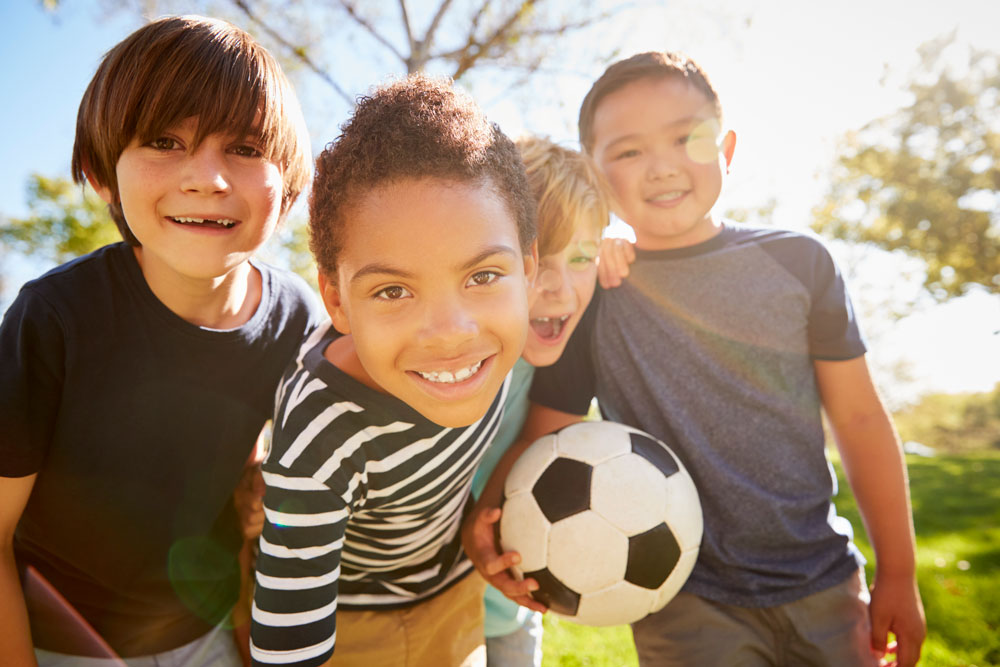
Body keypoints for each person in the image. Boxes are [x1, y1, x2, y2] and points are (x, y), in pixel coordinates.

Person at [465, 51, 927, 667]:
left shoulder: (800, 263)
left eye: (688, 138)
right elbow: (545, 429)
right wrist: (487, 517)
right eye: (628, 152)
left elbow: (862, 420)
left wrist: (899, 571)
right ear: (599, 178)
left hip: (822, 576)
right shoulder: (599, 295)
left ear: (728, 149)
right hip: (681, 598)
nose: (661, 167)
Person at [0, 15, 320, 666]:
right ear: (99, 173)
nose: (207, 178)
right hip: (57, 640)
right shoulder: (55, 317)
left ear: (287, 190)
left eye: (246, 147)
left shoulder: (296, 318)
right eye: (165, 140)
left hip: (203, 633)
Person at [248, 74, 538, 667]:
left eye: (482, 276)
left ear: (529, 272)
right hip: (352, 622)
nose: (452, 330)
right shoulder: (320, 434)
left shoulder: (510, 338)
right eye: (393, 290)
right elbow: (287, 648)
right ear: (336, 300)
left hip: (453, 594)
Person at [472, 136, 610, 667]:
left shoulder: (578, 330)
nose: (559, 286)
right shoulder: (451, 351)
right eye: (534, 258)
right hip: (419, 604)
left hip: (513, 606)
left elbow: (536, 436)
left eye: (580, 258)